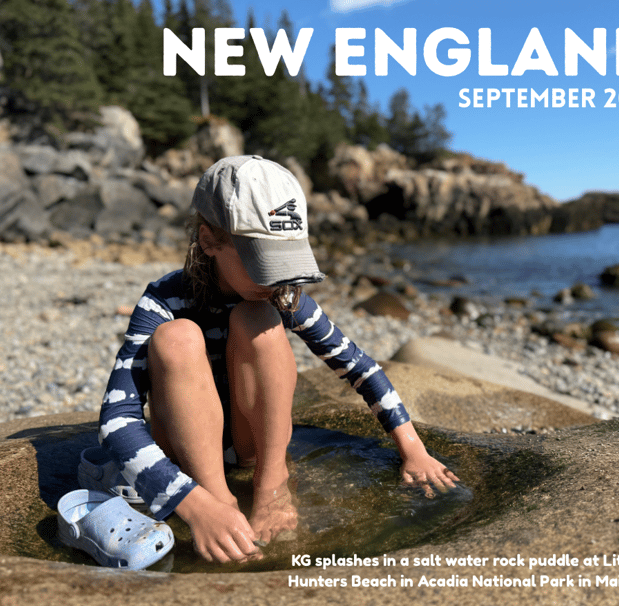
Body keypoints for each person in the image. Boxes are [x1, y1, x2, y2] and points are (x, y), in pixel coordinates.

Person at [98, 155, 459, 565]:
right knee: (177, 337)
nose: (275, 279)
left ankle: (272, 481)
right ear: (209, 241)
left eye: (283, 261)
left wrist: (413, 448)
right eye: (261, 261)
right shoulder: (162, 300)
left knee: (258, 317)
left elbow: (360, 368)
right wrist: (193, 503)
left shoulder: (280, 297)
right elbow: (116, 423)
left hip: (253, 447)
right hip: (186, 455)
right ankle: (219, 498)